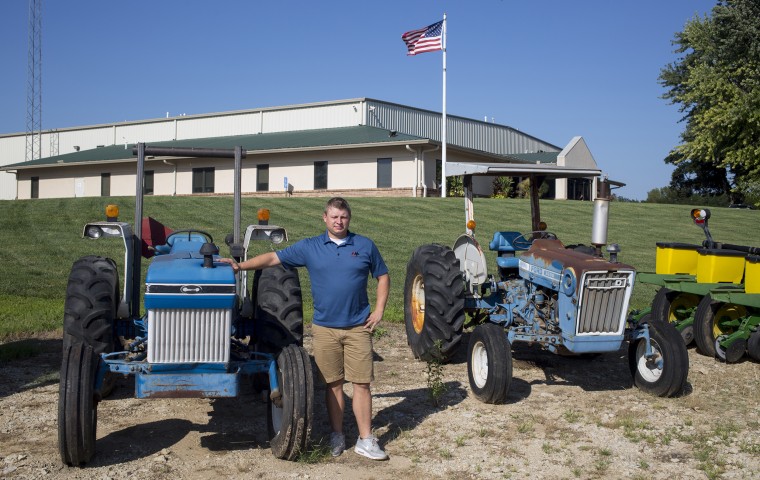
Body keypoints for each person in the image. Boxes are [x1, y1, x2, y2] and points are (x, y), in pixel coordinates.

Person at [219, 197, 390, 460]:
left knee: (362, 384)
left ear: (349, 218)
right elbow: (273, 258)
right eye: (334, 216)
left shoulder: (364, 245)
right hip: (324, 329)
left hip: (358, 327)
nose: (338, 221)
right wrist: (239, 265)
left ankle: (366, 439)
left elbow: (383, 276)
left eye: (343, 217)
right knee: (333, 385)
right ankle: (337, 435)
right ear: (325, 218)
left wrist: (379, 310)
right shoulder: (311, 247)